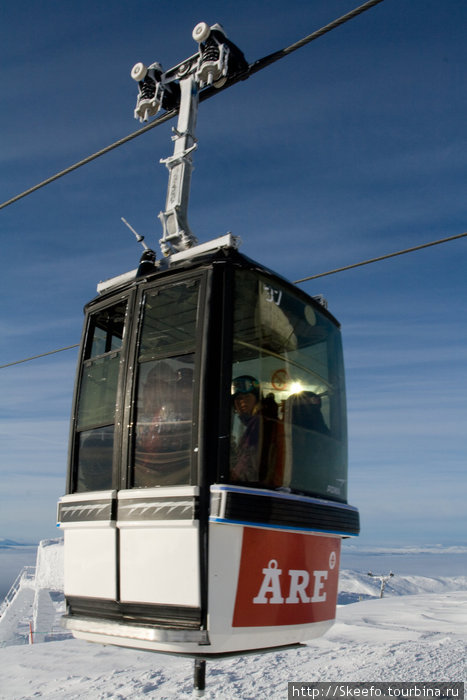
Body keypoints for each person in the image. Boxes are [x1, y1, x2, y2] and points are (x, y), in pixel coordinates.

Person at [230, 375, 283, 485]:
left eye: (247, 397)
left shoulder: (260, 424)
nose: (243, 402)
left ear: (257, 400)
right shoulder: (254, 425)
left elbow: (252, 467)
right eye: (239, 399)